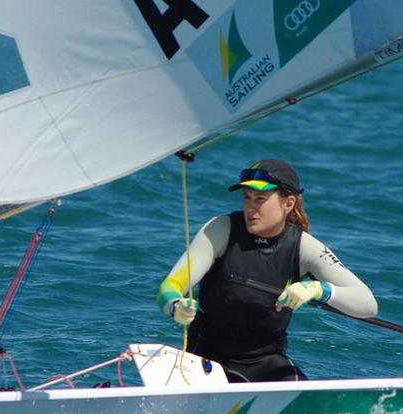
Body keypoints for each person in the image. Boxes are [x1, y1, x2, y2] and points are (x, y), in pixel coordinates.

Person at [156, 159, 377, 383]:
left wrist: (320, 290)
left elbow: (368, 304)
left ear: (288, 203)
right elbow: (169, 286)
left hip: (265, 362)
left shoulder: (305, 247)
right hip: (205, 359)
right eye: (246, 198)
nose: (250, 207)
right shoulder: (221, 229)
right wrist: (176, 307)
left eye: (260, 199)